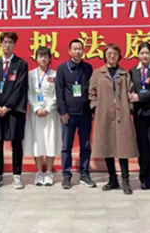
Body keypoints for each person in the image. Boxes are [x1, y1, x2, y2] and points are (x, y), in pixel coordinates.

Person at [89, 43, 139, 195]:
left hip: (122, 115)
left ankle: (125, 180)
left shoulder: (124, 73)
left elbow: (131, 92)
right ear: (105, 55)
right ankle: (112, 179)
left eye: (115, 54)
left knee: (123, 149)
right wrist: (96, 108)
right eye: (109, 53)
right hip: (104, 115)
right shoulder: (98, 73)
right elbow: (92, 93)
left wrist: (129, 108)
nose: (112, 56)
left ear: (119, 56)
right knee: (107, 147)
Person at [0, 31, 29, 190]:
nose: (7, 45)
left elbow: (20, 88)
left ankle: (17, 175)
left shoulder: (21, 64)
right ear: (0, 44)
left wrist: (8, 106)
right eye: (5, 42)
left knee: (16, 143)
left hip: (13, 111)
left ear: (14, 45)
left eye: (10, 42)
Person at [55, 39, 96, 190]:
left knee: (85, 145)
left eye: (80, 49)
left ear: (83, 51)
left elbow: (92, 90)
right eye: (75, 49)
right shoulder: (62, 68)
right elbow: (59, 91)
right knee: (66, 146)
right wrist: (63, 112)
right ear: (69, 51)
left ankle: (84, 174)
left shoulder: (88, 68)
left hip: (85, 113)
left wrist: (92, 110)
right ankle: (66, 176)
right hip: (69, 114)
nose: (77, 52)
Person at [24, 46, 62, 186]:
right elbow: (29, 93)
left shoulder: (55, 74)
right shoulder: (30, 75)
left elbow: (57, 94)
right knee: (37, 141)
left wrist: (48, 109)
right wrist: (36, 108)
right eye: (40, 56)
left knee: (50, 141)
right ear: (36, 58)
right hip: (35, 113)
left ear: (50, 58)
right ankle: (39, 172)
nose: (43, 59)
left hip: (50, 113)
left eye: (46, 56)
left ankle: (49, 172)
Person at [129, 43, 150, 190]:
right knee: (142, 146)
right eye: (142, 53)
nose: (144, 56)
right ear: (138, 55)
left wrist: (139, 97)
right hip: (139, 114)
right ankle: (144, 178)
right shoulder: (132, 71)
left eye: (147, 53)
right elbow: (130, 90)